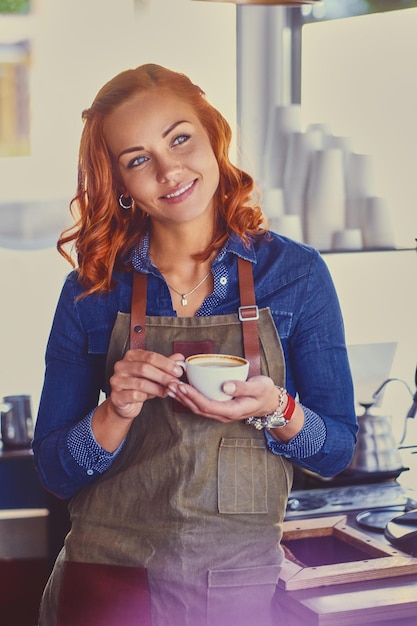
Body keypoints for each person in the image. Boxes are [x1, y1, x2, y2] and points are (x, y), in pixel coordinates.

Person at [33, 63, 357, 626]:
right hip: (106, 581)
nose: (168, 170)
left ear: (214, 135)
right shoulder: (93, 291)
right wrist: (116, 411)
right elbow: (56, 472)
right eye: (138, 159)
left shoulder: (296, 275)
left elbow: (334, 452)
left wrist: (274, 408)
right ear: (120, 182)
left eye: (179, 138)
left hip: (234, 585)